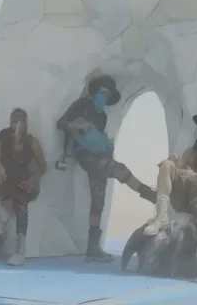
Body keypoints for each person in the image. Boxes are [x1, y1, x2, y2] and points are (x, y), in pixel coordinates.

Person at [56, 75, 156, 262]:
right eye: (102, 93)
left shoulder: (102, 116)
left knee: (98, 198)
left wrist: (105, 143)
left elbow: (98, 136)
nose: (103, 97)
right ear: (95, 93)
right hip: (84, 153)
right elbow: (61, 124)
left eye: (107, 95)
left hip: (99, 156)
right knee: (118, 169)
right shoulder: (81, 105)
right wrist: (79, 125)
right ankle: (149, 193)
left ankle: (92, 246)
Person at [143, 107, 197, 284]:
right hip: (184, 195)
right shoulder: (191, 151)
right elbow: (181, 172)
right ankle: (160, 217)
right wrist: (173, 164)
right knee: (167, 165)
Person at [0, 107, 46, 266]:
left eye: (21, 121)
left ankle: (20, 250)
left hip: (21, 180)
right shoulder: (3, 137)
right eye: (15, 121)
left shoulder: (32, 142)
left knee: (22, 202)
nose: (18, 124)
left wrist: (34, 179)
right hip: (4, 178)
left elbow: (42, 167)